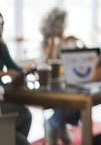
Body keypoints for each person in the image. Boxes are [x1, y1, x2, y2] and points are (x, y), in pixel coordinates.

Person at [40, 8, 83, 145]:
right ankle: (54, 123)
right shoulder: (46, 43)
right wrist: (55, 45)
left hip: (69, 82)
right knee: (67, 96)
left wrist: (79, 41)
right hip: (51, 83)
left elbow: (84, 59)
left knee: (78, 97)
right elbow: (48, 63)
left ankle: (57, 123)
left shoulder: (69, 41)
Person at [0, 12, 32, 145]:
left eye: (1, 24)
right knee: (23, 114)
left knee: (25, 114)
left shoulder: (1, 46)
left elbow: (14, 67)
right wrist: (4, 74)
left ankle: (8, 139)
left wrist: (24, 71)